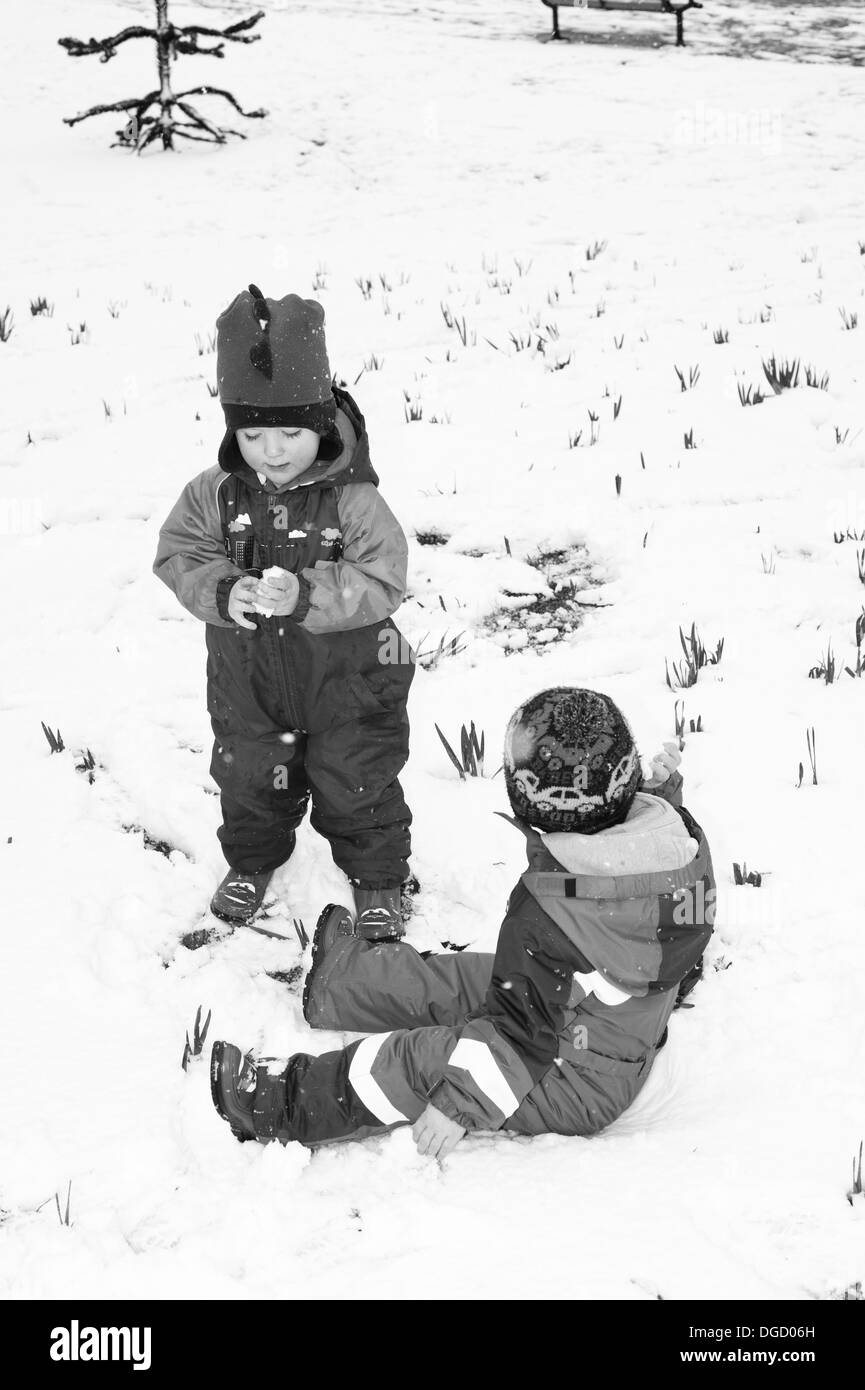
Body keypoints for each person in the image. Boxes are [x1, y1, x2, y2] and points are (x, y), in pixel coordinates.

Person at [210, 687, 716, 1156]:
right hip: (607, 1027)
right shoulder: (677, 842)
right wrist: (659, 794)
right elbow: (665, 927)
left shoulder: (549, 916)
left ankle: (279, 1102)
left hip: (572, 1081)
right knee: (479, 979)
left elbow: (521, 1033)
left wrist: (461, 1103)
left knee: (418, 1061)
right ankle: (345, 982)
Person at [154, 286, 413, 940]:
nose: (272, 451)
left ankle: (377, 875)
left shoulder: (352, 500)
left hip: (349, 684)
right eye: (254, 434)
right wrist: (220, 590)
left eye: (291, 433)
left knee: (358, 782)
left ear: (321, 425)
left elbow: (382, 576)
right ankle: (252, 860)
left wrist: (308, 595)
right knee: (248, 782)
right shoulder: (213, 492)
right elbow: (180, 550)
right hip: (249, 687)